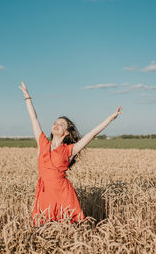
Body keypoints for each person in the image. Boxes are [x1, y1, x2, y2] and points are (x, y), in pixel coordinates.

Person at [19, 81, 122, 226]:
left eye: (61, 124)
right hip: (44, 193)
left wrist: (110, 119)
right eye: (55, 122)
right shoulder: (42, 143)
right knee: (42, 226)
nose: (56, 125)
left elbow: (92, 134)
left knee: (69, 226)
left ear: (67, 132)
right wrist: (27, 98)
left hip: (63, 193)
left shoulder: (70, 150)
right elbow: (34, 119)